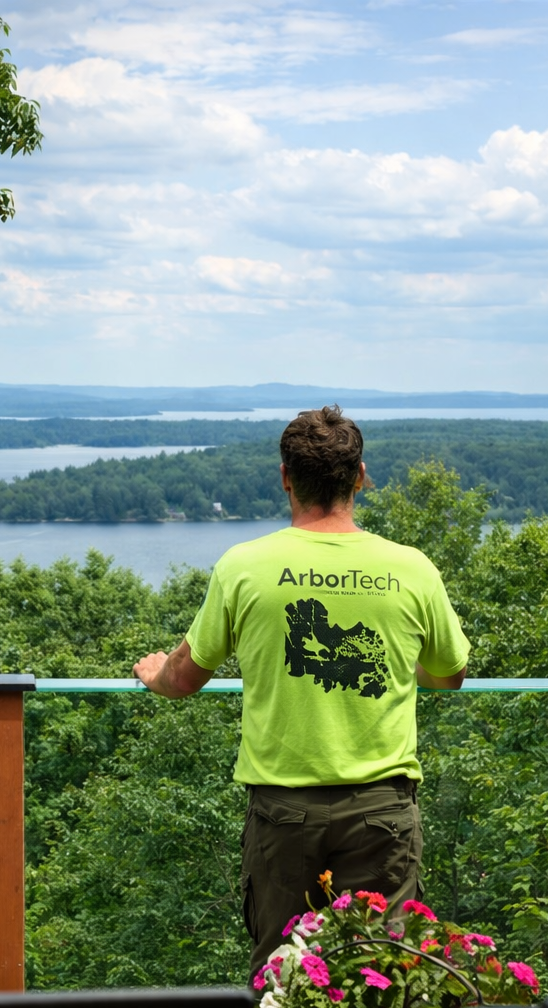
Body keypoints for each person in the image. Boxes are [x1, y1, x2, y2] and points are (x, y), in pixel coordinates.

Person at [131, 405, 470, 977]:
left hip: (283, 811)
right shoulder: (411, 568)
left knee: (284, 977)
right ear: (360, 476)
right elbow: (449, 674)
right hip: (381, 809)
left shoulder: (245, 566)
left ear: (286, 476)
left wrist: (153, 673)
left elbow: (184, 679)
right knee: (383, 975)